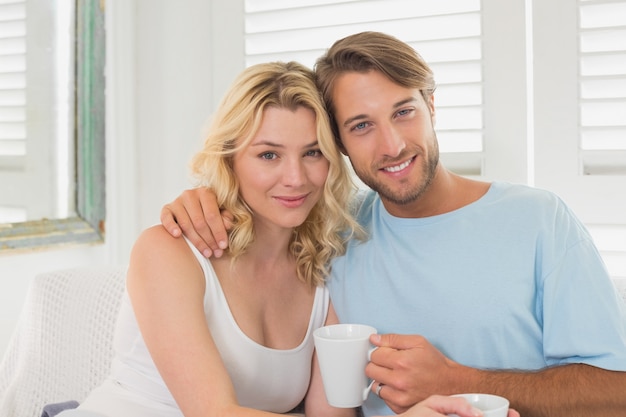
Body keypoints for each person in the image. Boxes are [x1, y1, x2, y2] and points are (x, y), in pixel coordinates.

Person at [160, 31, 626, 417]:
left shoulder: (539, 220)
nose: (392, 145)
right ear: (338, 142)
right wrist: (205, 200)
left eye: (404, 112)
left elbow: (615, 393)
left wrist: (457, 381)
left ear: (432, 106)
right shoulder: (331, 234)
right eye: (361, 125)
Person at [54, 60, 495, 417]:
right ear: (229, 158)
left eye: (313, 153)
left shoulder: (326, 272)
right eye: (268, 155)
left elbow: (330, 414)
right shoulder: (170, 251)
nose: (295, 178)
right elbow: (215, 413)